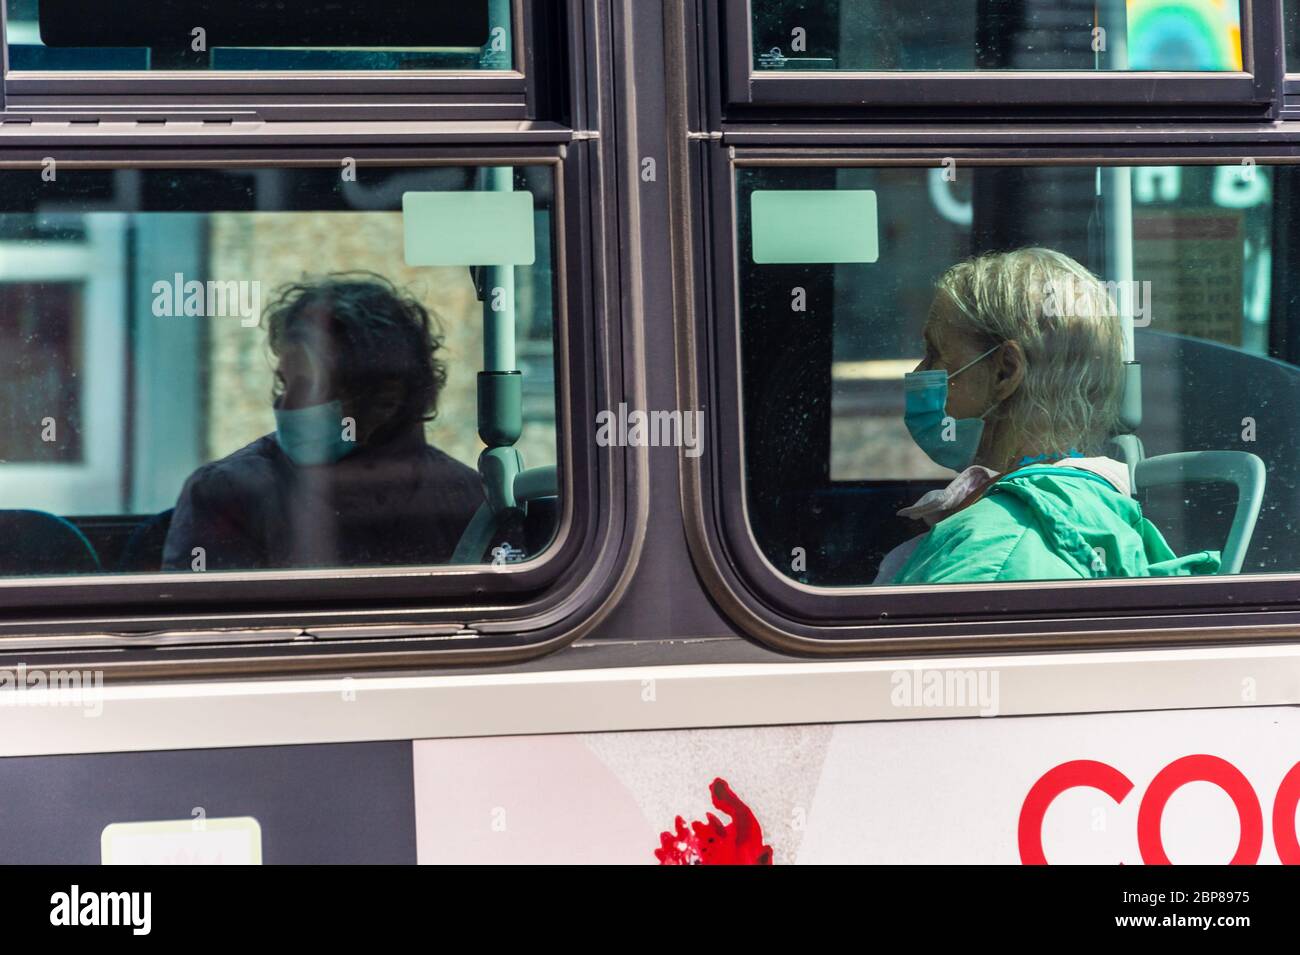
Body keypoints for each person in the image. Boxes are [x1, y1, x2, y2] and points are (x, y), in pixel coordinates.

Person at [877, 248, 1219, 585]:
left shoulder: (994, 555)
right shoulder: (1085, 506)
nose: (921, 371)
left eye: (935, 353)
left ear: (1005, 372)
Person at [162, 274, 485, 571]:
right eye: (284, 384)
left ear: (386, 398)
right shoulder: (227, 494)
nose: (284, 405)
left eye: (307, 386)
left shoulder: (468, 501)